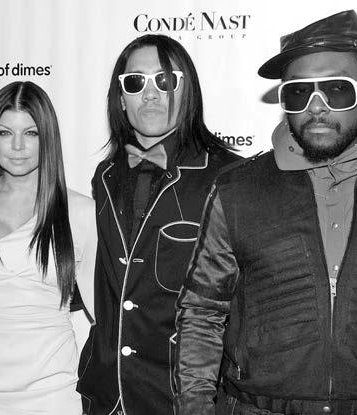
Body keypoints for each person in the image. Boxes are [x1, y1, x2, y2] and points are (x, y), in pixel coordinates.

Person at [174, 10, 357, 415]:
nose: (316, 106)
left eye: (337, 90)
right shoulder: (237, 189)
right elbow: (202, 313)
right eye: (298, 92)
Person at [77, 34, 242, 415]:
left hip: (182, 398)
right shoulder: (105, 175)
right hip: (106, 395)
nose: (150, 94)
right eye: (135, 82)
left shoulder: (230, 177)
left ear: (188, 91)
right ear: (121, 99)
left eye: (165, 80)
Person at [0, 81, 96, 415]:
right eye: (5, 133)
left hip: (53, 394)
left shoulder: (81, 212)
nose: (17, 146)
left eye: (31, 133)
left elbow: (106, 315)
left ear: (48, 138)